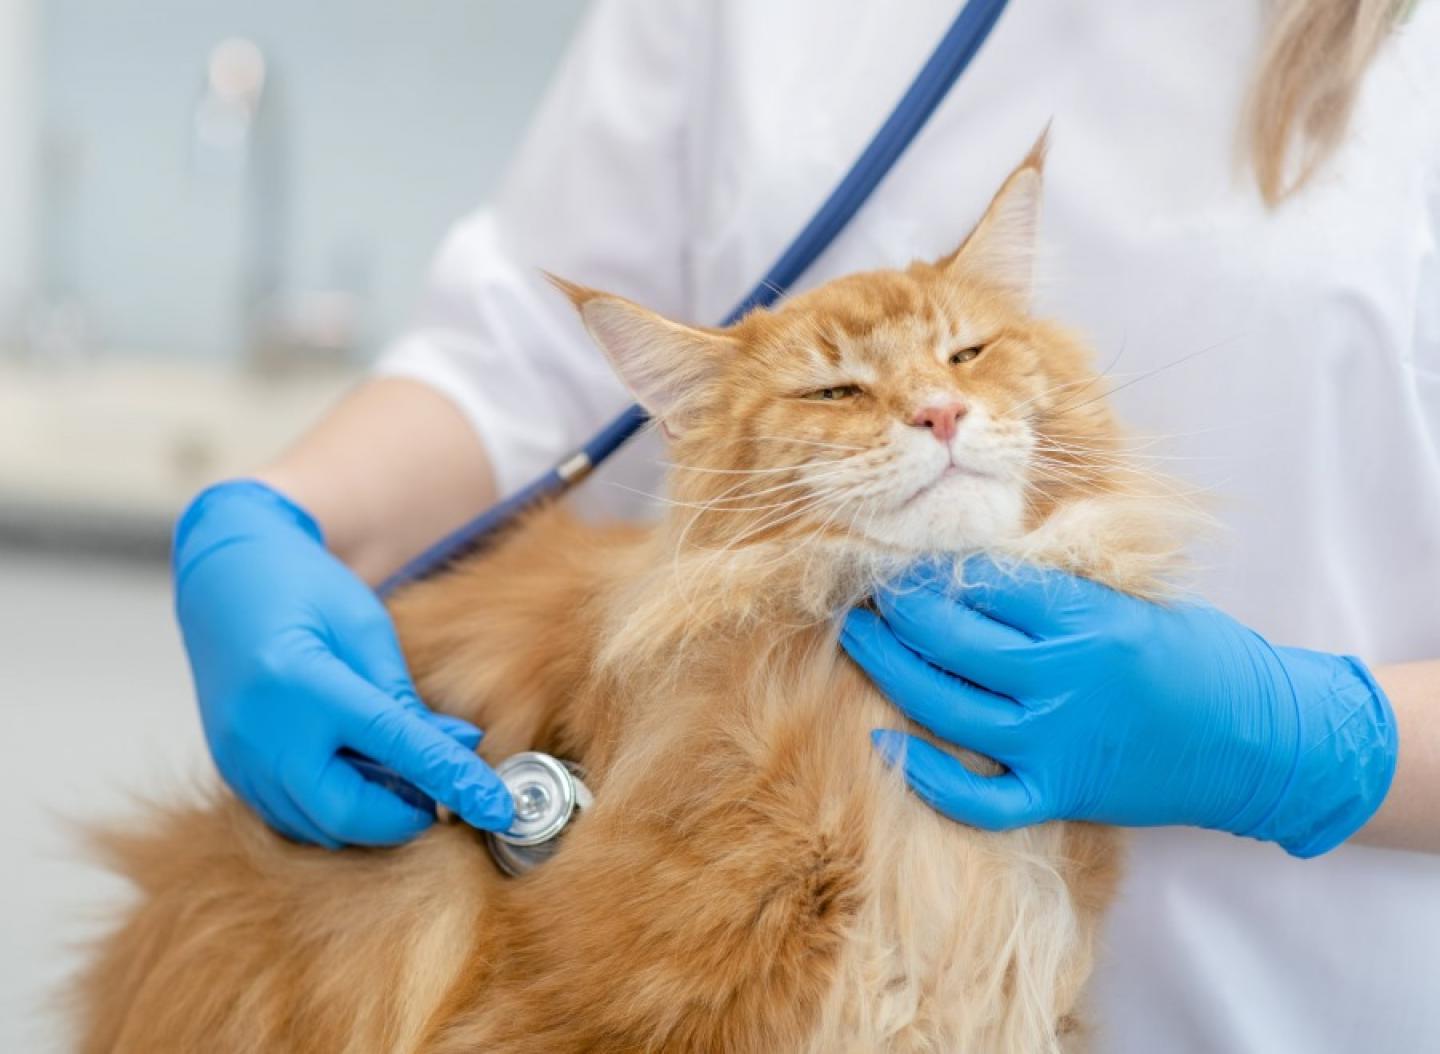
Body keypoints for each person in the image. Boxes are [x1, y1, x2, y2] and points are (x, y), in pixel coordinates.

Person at [170, 1, 1440, 1049]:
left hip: (1305, 994)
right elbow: (523, 351)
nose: (934, 411)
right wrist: (276, 519)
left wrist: (1323, 742)